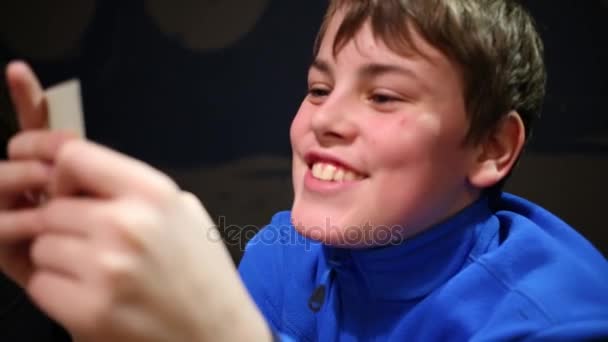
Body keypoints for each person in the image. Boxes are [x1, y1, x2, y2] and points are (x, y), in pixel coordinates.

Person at [0, 0, 607, 341]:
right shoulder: (285, 251)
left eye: (385, 97)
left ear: (491, 148)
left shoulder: (559, 323)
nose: (326, 119)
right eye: (319, 88)